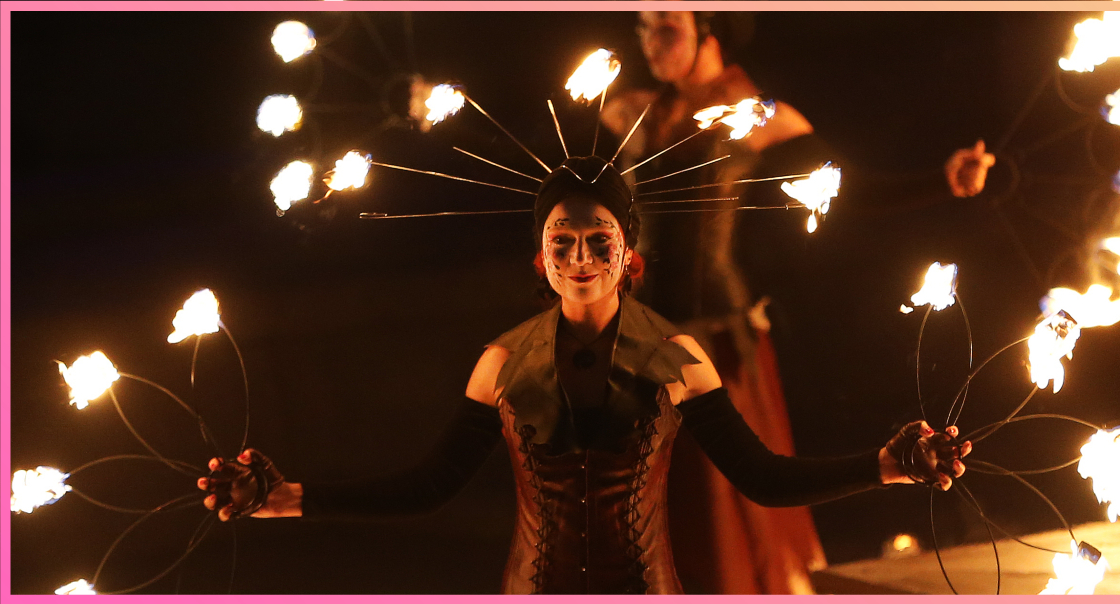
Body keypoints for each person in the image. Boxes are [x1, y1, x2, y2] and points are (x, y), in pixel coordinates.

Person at [198, 155, 972, 595]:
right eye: (561, 242)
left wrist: (888, 466)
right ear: (539, 257)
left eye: (598, 241)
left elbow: (763, 478)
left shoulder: (677, 357)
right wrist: (290, 497)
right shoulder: (500, 363)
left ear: (629, 255)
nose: (579, 260)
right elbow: (429, 485)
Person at [601, 10, 996, 594]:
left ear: (709, 28)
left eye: (666, 28)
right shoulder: (632, 109)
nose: (649, 45)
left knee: (724, 502)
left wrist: (940, 180)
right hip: (636, 335)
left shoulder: (756, 115)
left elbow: (842, 189)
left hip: (714, 339)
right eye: (641, 29)